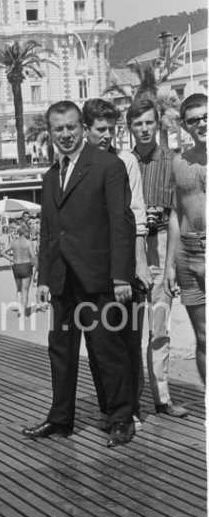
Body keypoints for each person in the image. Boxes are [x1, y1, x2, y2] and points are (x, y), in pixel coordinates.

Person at [22, 101, 136, 448]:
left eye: (72, 127)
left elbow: (122, 225)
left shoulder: (108, 166)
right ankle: (60, 420)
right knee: (60, 351)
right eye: (59, 129)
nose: (66, 134)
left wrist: (121, 277)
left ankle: (120, 419)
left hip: (99, 277)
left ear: (82, 128)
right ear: (51, 132)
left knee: (107, 349)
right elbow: (48, 231)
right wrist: (43, 278)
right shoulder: (49, 176)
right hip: (61, 280)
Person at [82, 98, 152, 429]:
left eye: (112, 129)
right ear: (87, 130)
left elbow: (137, 216)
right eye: (101, 129)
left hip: (124, 263)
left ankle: (132, 406)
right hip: (93, 269)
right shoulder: (77, 163)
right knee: (99, 342)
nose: (107, 135)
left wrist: (138, 263)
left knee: (128, 339)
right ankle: (109, 406)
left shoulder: (126, 161)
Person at [128, 99, 188, 417]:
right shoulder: (122, 162)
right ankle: (133, 402)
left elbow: (178, 216)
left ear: (157, 124)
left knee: (160, 328)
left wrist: (171, 267)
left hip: (162, 243)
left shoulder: (172, 161)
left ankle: (162, 398)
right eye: (138, 124)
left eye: (149, 122)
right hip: (132, 249)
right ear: (130, 128)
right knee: (130, 330)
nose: (145, 128)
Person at [164, 93, 206, 383]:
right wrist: (169, 265)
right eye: (194, 120)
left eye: (206, 117)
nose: (202, 123)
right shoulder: (179, 163)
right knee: (202, 337)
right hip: (189, 253)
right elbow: (176, 216)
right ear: (185, 126)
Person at [3, 223, 37, 316]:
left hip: (16, 266)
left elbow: (3, 252)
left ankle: (19, 309)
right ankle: (22, 313)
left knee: (18, 289)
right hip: (26, 265)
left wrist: (12, 259)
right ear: (25, 232)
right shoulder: (28, 242)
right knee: (25, 290)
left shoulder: (14, 242)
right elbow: (33, 256)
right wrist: (35, 265)